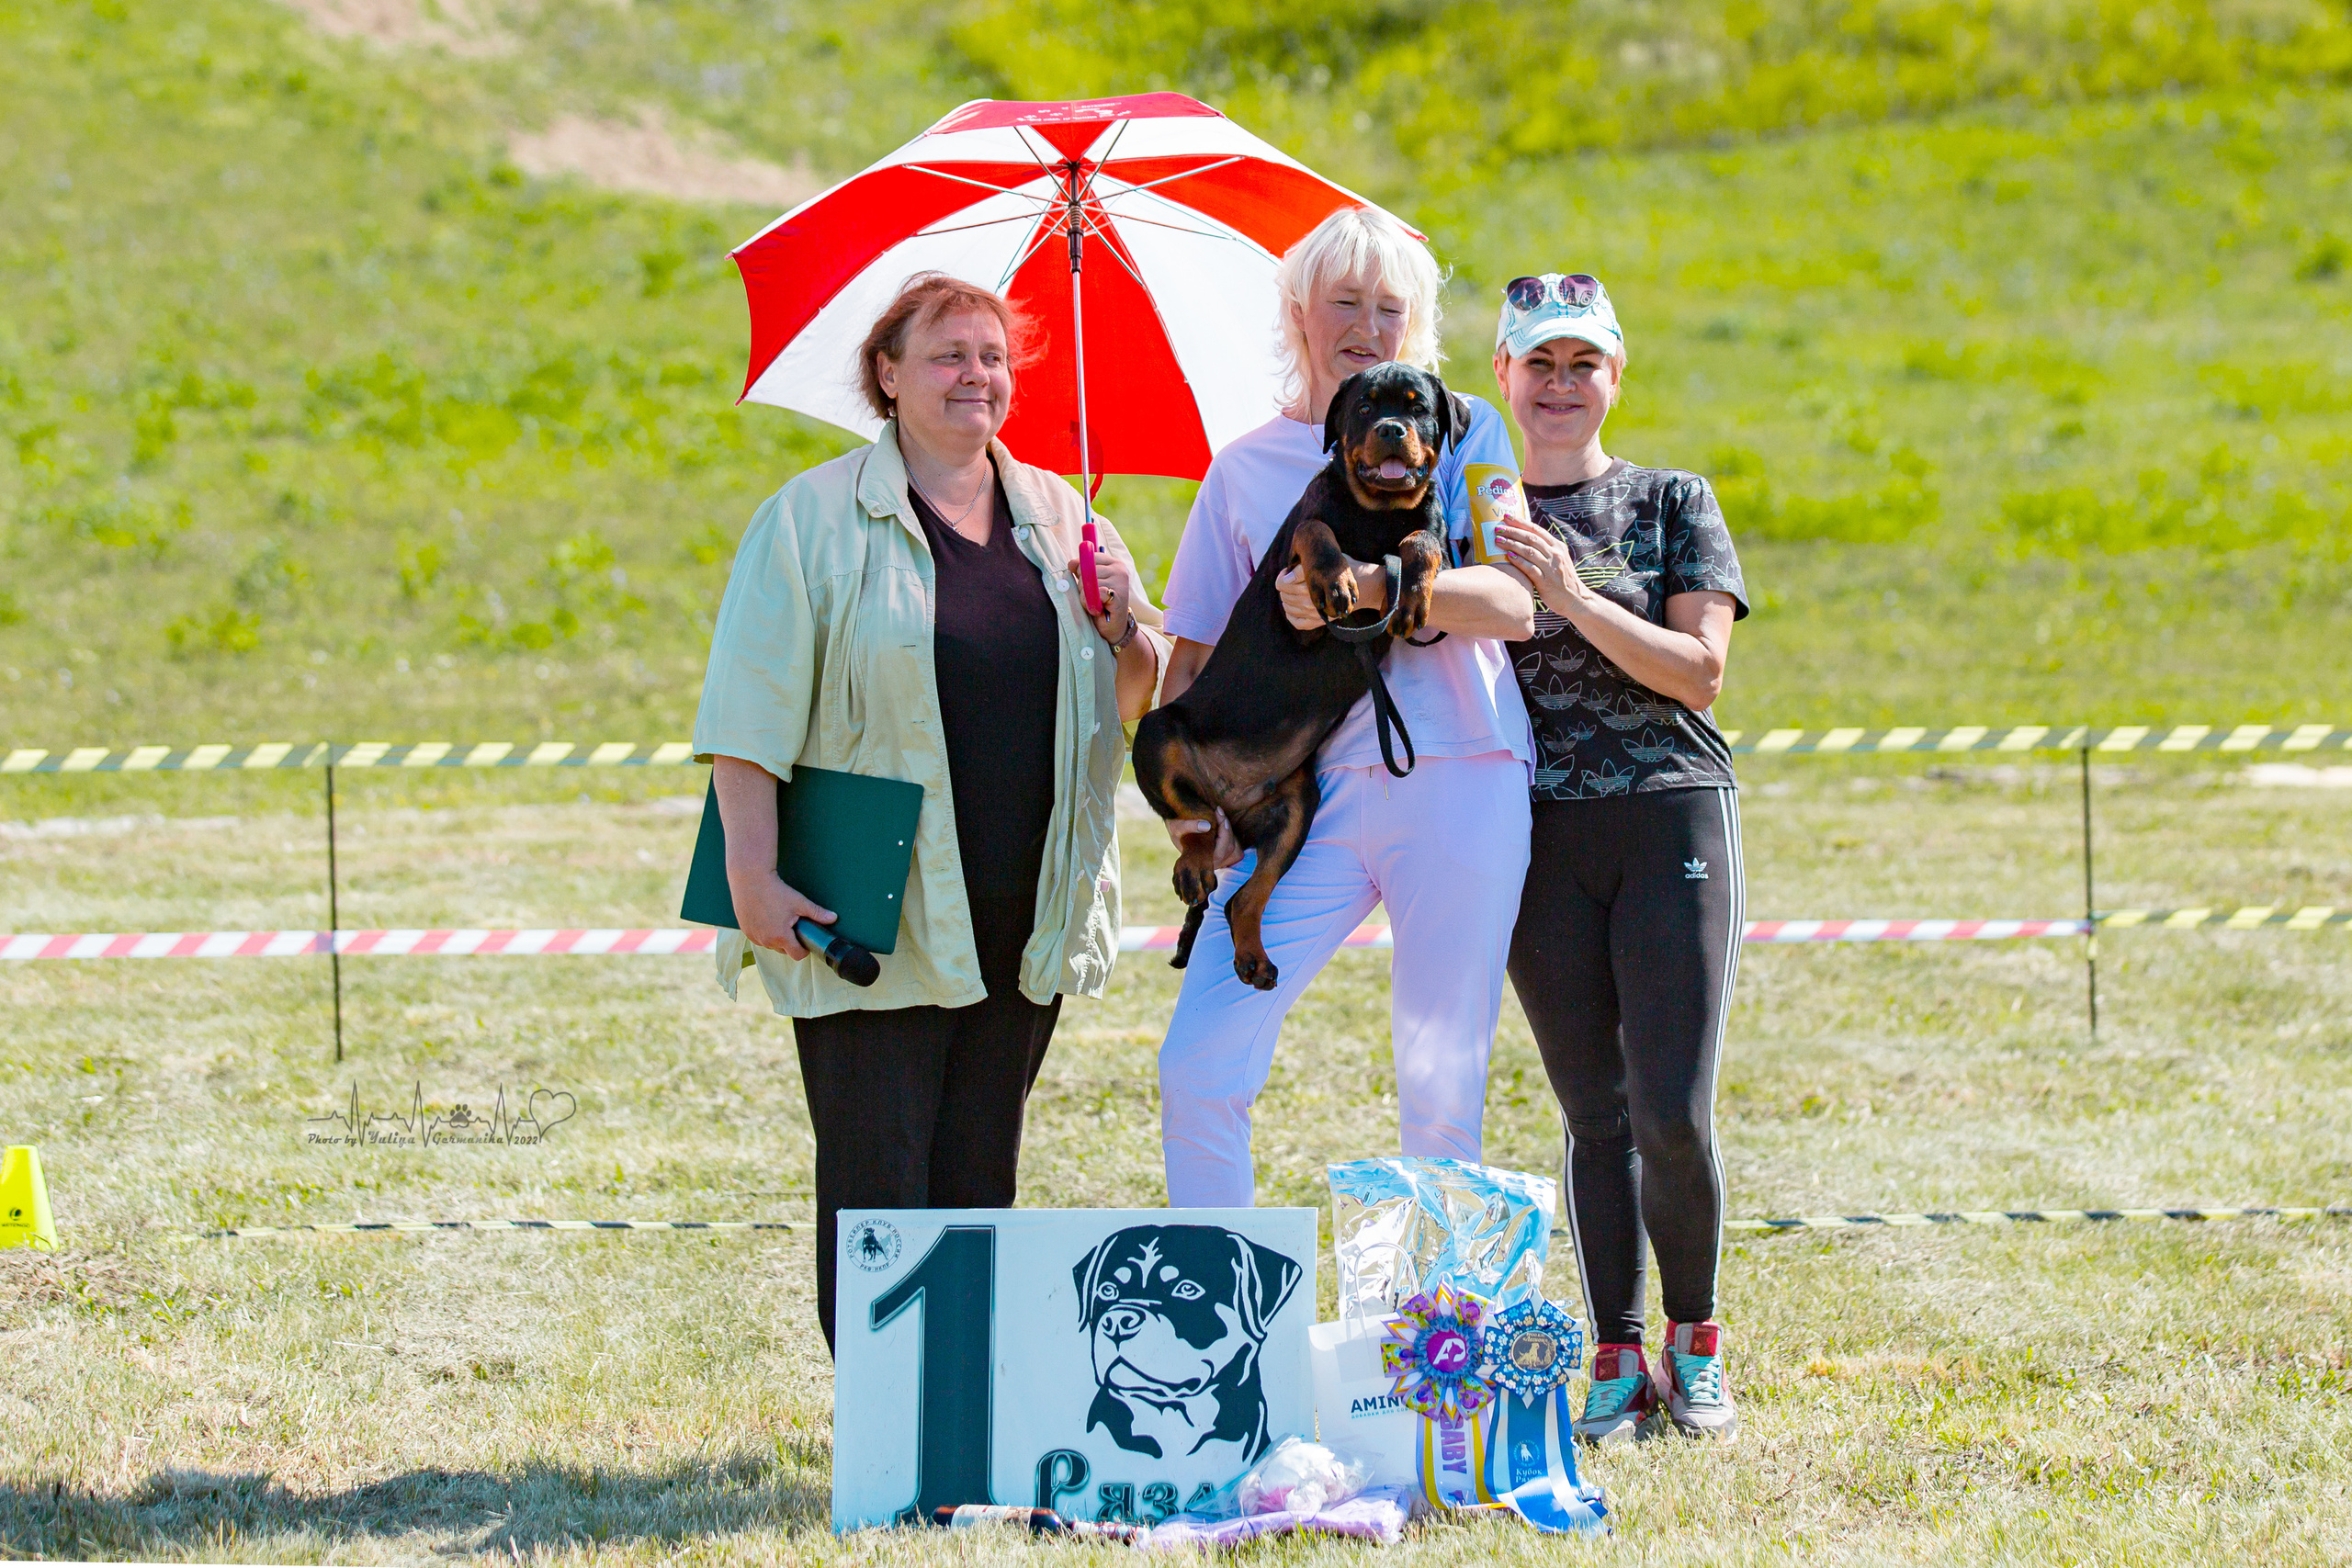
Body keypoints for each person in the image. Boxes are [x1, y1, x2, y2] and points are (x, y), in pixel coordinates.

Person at [693, 274, 1168, 1349]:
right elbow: (746, 715)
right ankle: (880, 1416)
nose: (976, 375)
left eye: (992, 356)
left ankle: (959, 1408)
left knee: (979, 1176)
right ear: (888, 373)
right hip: (872, 906)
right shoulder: (808, 519)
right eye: (948, 353)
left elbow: (1136, 696)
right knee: (878, 1181)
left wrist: (1119, 623)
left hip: (1025, 907)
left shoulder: (1067, 519)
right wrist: (751, 875)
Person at [1154, 207, 1537, 1208]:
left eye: (1390, 308)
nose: (1368, 328)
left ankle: (1438, 1311)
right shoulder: (1242, 467)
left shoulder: (1464, 429)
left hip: (1459, 775)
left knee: (1440, 1089)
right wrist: (1196, 817)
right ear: (1297, 313)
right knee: (1198, 1062)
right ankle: (1218, 1298)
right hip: (1301, 802)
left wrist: (1371, 588)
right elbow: (1190, 659)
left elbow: (1513, 602)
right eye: (1344, 303)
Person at [1486, 274, 1749, 1442]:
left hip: (1667, 814)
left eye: (1581, 363)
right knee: (1593, 1113)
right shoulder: (1468, 509)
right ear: (1501, 375)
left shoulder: (1670, 500)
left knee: (1670, 1109)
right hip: (1532, 833)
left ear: (1614, 376)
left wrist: (1569, 593)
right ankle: (1614, 1355)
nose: (1560, 384)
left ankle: (1695, 1341)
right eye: (1538, 363)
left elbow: (1697, 673)